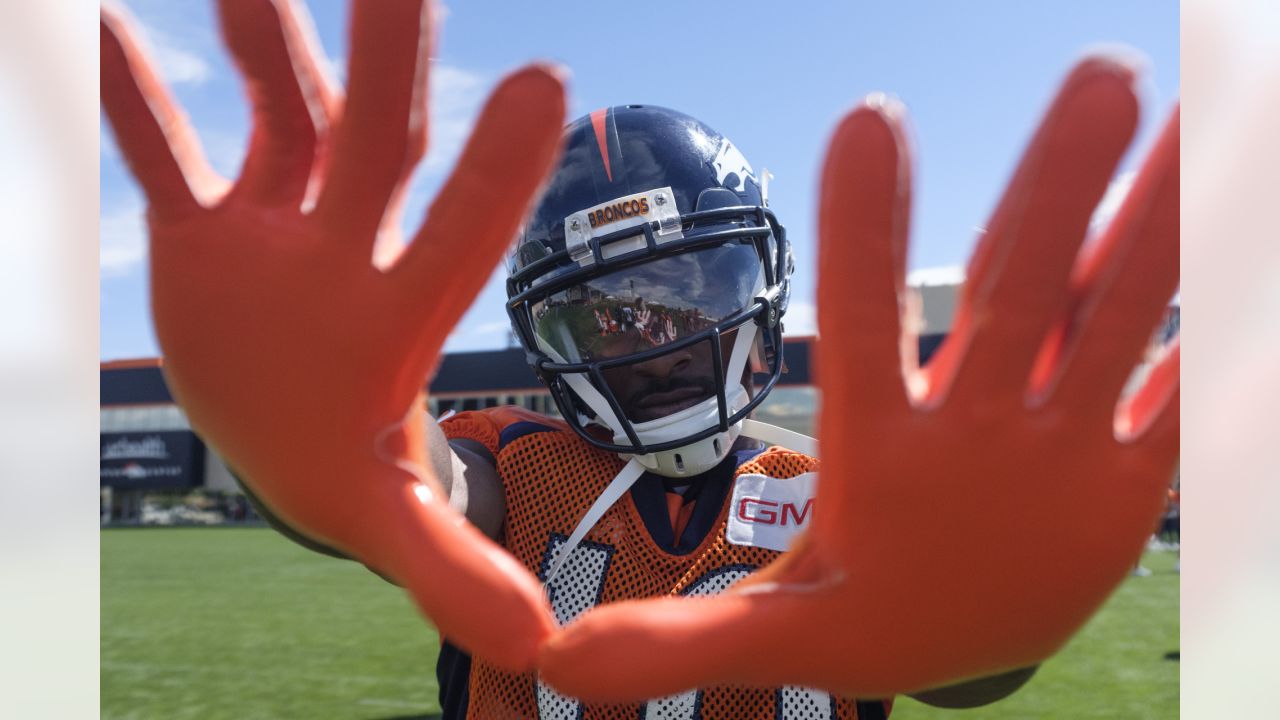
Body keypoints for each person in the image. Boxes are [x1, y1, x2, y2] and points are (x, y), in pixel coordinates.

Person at [100, 0, 1179, 716]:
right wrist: (293, 426)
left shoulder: (839, 490)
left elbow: (966, 670)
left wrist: (986, 600)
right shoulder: (510, 465)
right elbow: (407, 485)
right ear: (540, 340)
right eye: (600, 315)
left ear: (756, 289)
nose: (648, 342)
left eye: (679, 295)